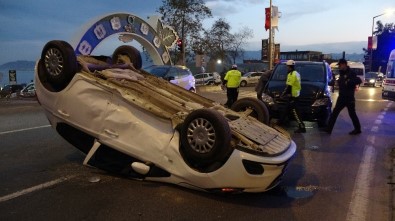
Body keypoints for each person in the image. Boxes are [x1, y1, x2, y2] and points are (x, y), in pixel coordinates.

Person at [325, 58, 362, 135]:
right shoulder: (341, 73)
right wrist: (335, 82)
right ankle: (328, 129)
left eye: (340, 65)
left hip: (349, 97)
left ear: (344, 64)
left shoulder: (351, 73)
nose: (339, 67)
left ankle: (358, 129)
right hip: (342, 97)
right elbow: (341, 82)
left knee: (352, 114)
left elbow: (358, 80)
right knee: (335, 113)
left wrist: (348, 82)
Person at [279, 60, 306, 133]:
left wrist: (282, 95)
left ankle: (302, 127)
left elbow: (289, 86)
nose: (287, 68)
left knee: (295, 112)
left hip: (293, 96)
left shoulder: (291, 74)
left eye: (287, 66)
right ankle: (280, 122)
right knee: (286, 109)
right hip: (295, 94)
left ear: (289, 66)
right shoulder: (297, 73)